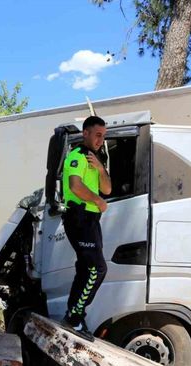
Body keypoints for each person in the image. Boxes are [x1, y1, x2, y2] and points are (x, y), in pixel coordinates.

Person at [60, 115, 111, 342]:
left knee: (85, 268)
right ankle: (75, 317)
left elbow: (107, 189)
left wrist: (100, 169)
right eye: (97, 135)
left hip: (91, 220)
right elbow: (75, 186)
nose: (101, 140)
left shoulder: (95, 160)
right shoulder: (77, 156)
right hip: (79, 217)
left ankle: (73, 314)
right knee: (96, 269)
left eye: (103, 136)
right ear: (86, 133)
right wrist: (98, 201)